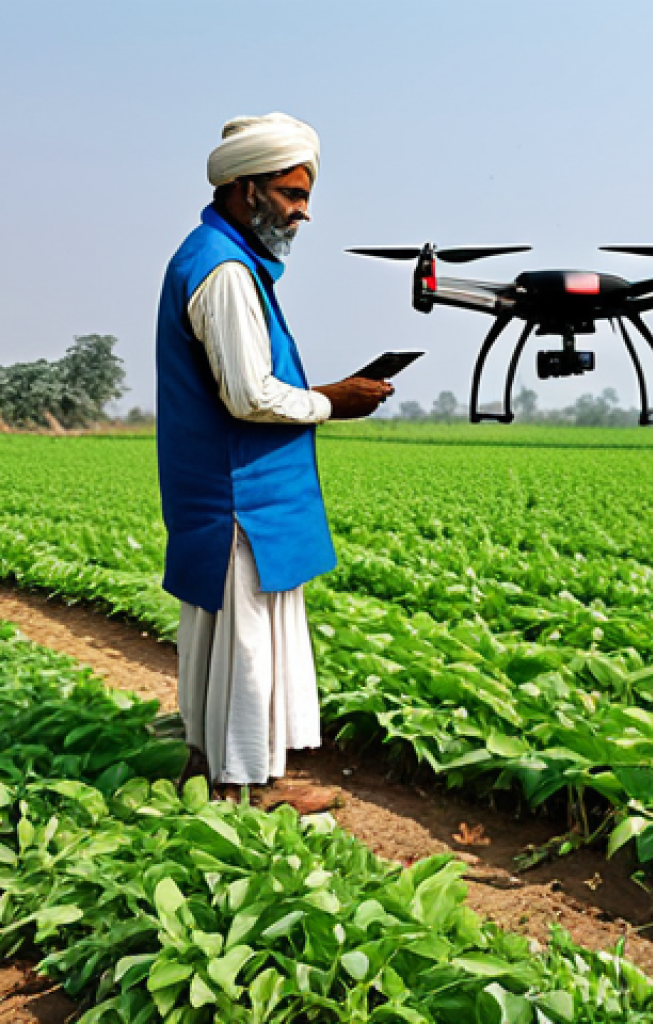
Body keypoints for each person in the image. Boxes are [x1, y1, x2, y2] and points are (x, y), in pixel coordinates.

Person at [156, 112, 391, 792]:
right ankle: (239, 790)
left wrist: (324, 393)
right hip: (239, 497)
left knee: (235, 645)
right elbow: (247, 396)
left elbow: (246, 384)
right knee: (248, 649)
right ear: (244, 188)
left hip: (233, 490)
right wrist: (332, 402)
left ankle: (222, 772)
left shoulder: (219, 257)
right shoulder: (224, 271)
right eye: (291, 195)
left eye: (304, 197)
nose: (301, 213)